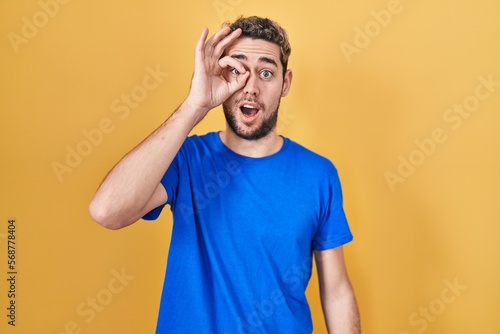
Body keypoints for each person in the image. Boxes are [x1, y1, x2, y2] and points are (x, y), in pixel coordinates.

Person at [89, 16, 360, 334]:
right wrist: (194, 105)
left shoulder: (318, 175)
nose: (251, 87)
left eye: (266, 73)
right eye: (237, 69)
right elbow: (106, 211)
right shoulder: (186, 159)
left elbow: (337, 291)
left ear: (285, 83)